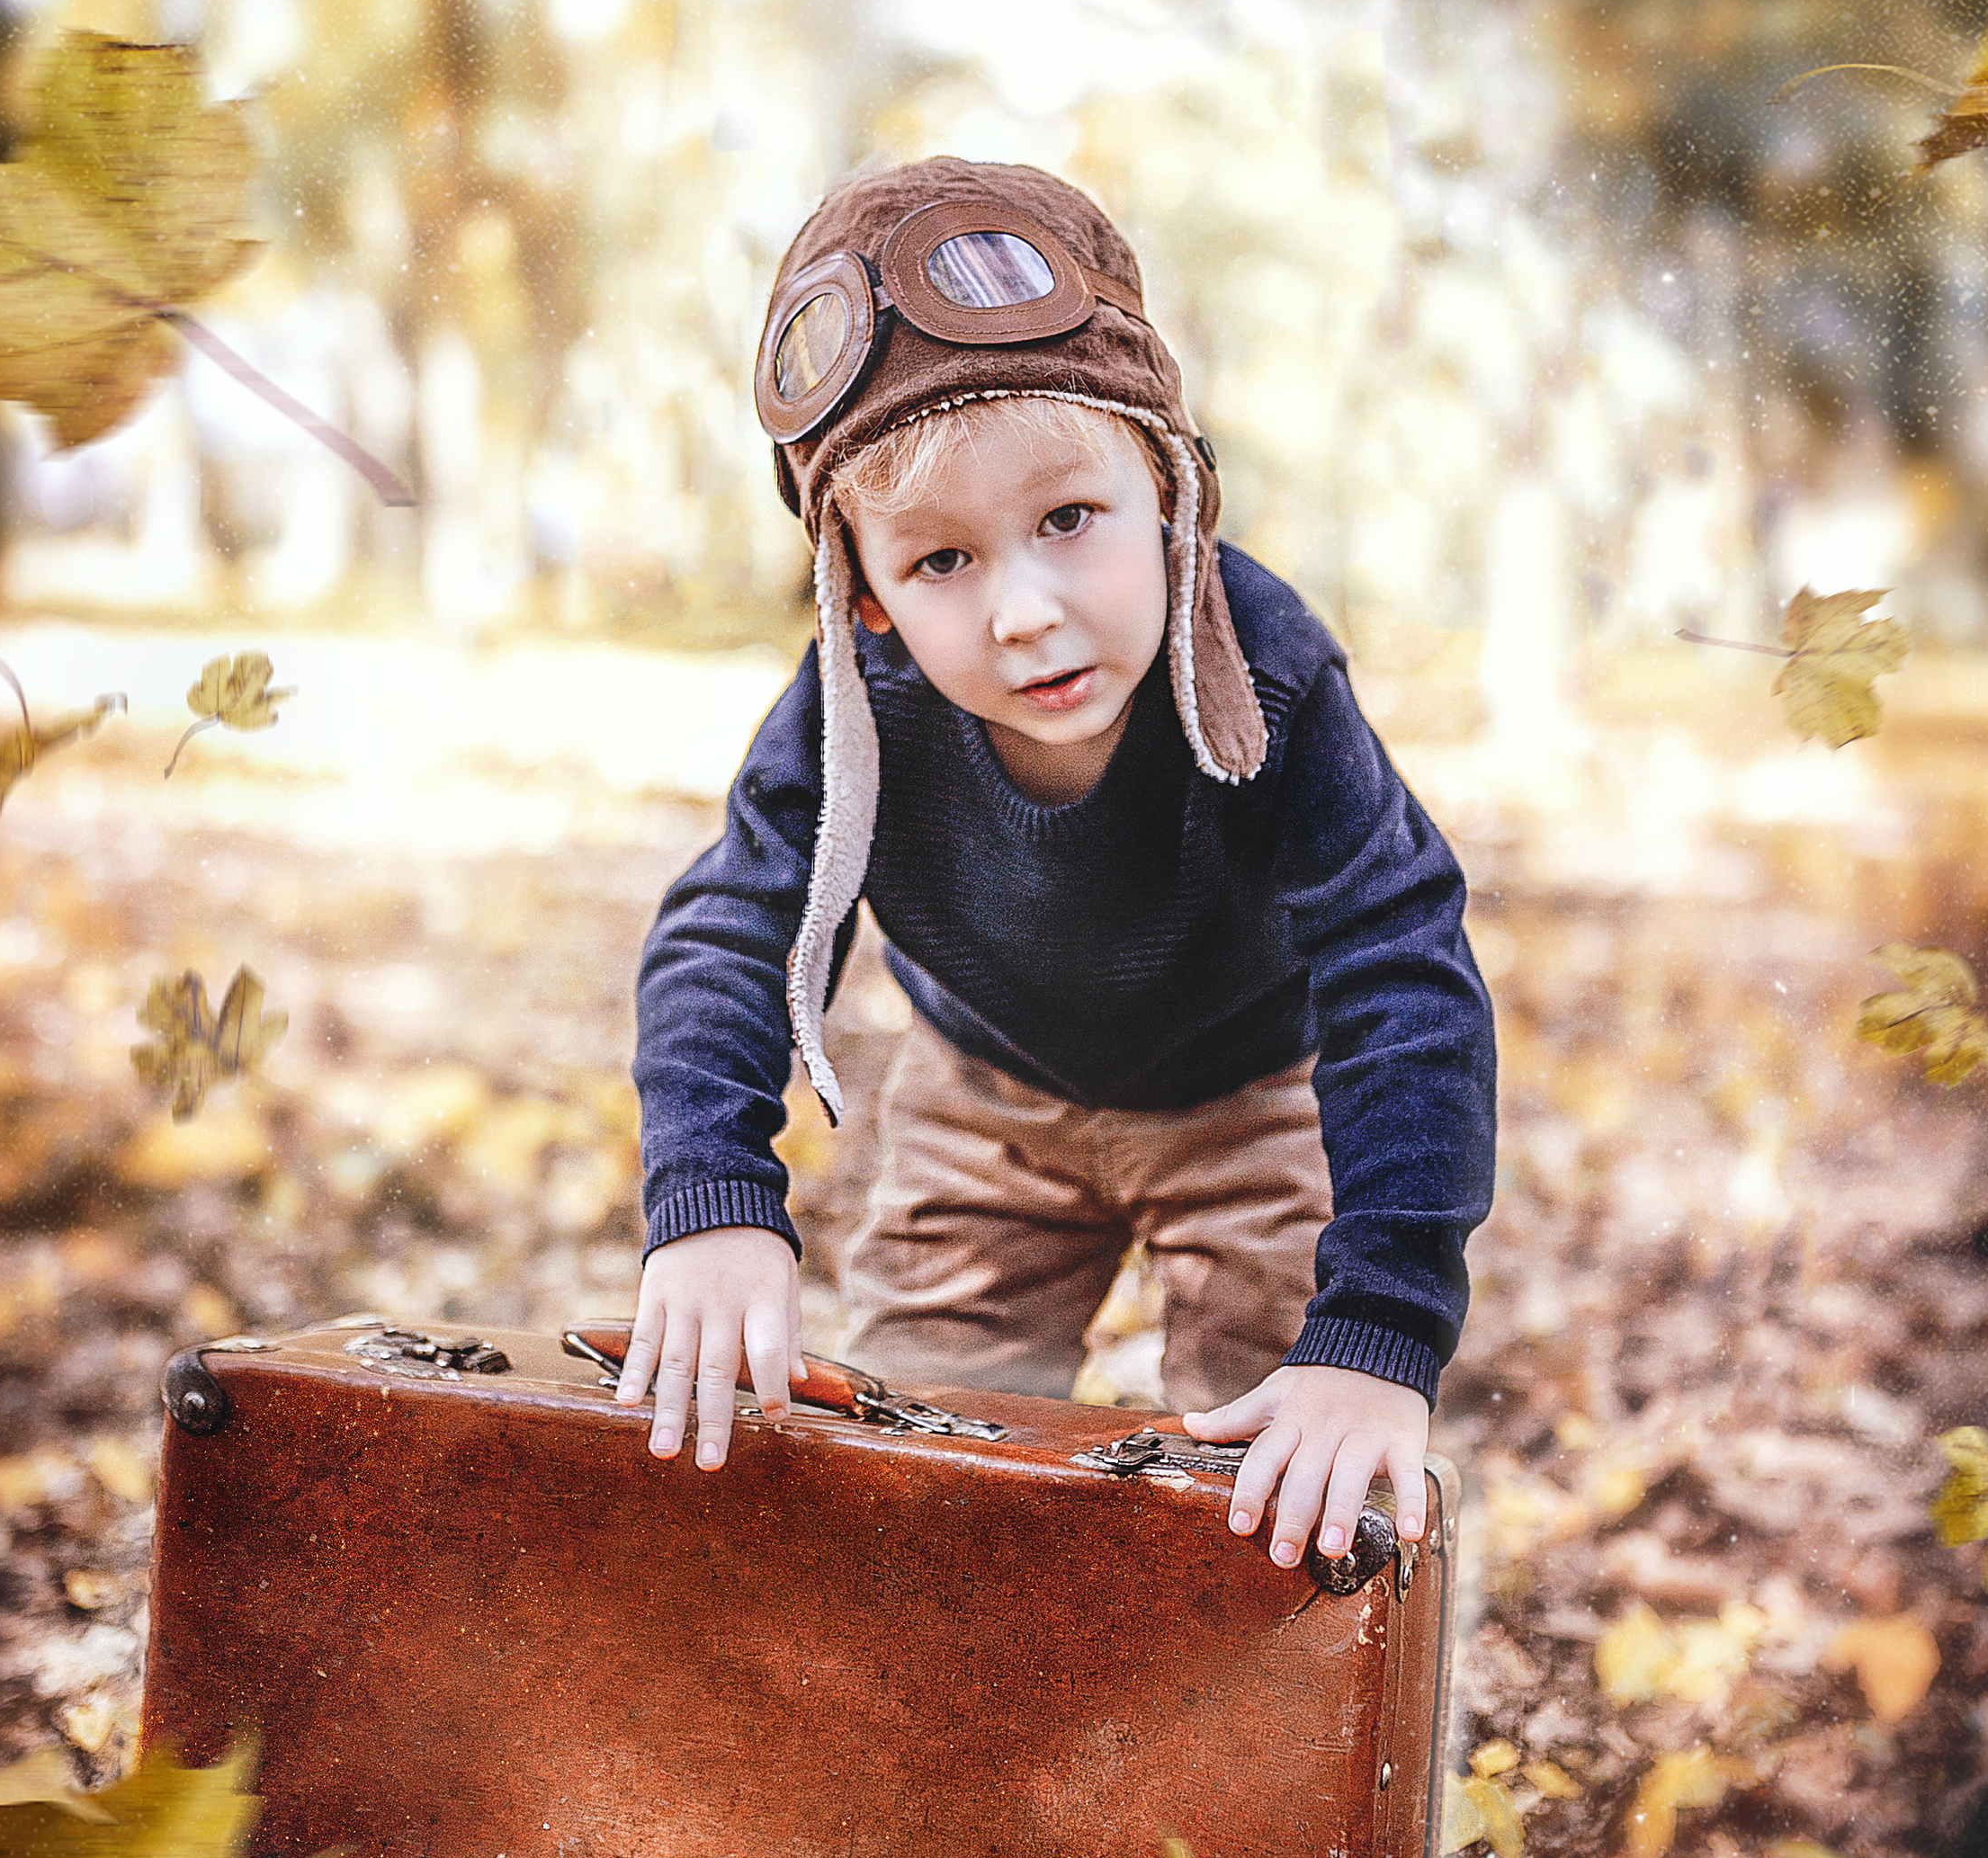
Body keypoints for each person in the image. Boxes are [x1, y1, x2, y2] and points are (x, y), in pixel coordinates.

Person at [618, 156, 1495, 1569]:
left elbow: (1407, 969)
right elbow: (727, 925)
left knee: (1278, 1487)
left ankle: (1224, 1749)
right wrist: (710, 1202)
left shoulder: (1269, 670)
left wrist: (1380, 1332)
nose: (1024, 612)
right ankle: (955, 1719)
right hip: (987, 1101)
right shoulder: (860, 704)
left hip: (1249, 1099)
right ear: (865, 592)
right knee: (920, 1467)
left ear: (1168, 489)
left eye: (1068, 522)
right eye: (942, 562)